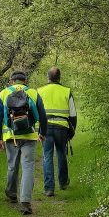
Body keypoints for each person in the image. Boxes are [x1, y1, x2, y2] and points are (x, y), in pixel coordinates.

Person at [0, 70, 48, 215]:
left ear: (11, 81)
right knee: (28, 167)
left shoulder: (3, 93)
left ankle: (12, 194)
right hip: (29, 136)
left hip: (11, 136)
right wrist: (42, 133)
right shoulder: (33, 93)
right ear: (25, 81)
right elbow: (42, 115)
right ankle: (25, 202)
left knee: (12, 166)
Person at [37, 67, 77, 197]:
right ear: (60, 77)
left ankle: (49, 188)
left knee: (47, 156)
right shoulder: (66, 91)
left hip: (45, 127)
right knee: (61, 153)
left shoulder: (40, 91)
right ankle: (63, 182)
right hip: (62, 127)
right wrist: (72, 131)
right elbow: (73, 114)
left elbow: (36, 112)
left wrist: (38, 130)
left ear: (47, 77)